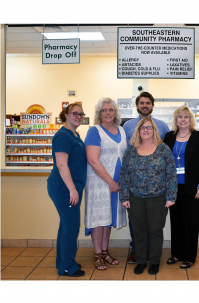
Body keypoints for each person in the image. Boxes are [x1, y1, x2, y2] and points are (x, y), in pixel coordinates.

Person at [119, 118, 177, 275]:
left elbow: (171, 174)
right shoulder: (131, 150)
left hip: (158, 197)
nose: (146, 130)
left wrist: (171, 196)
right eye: (142, 127)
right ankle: (140, 261)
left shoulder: (163, 149)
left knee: (155, 230)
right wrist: (124, 197)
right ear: (138, 130)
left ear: (154, 130)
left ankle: (155, 261)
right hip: (135, 197)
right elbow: (124, 174)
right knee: (138, 231)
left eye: (149, 128)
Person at [123, 91, 170, 264]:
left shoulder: (162, 126)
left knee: (154, 223)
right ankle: (136, 251)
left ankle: (152, 252)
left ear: (152, 106)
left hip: (156, 186)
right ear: (137, 106)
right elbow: (125, 153)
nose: (145, 105)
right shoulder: (127, 126)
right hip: (135, 185)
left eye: (148, 103)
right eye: (142, 103)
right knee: (137, 223)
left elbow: (166, 152)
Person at [163, 106, 199, 269]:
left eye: (186, 117)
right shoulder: (169, 137)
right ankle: (177, 254)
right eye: (180, 117)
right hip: (173, 187)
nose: (183, 120)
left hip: (192, 187)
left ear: (191, 120)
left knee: (191, 222)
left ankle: (190, 257)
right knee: (176, 222)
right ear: (175, 120)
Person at [84, 98, 128, 271]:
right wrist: (110, 182)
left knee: (108, 218)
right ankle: (97, 255)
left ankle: (105, 252)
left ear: (116, 113)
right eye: (104, 110)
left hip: (117, 184)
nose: (108, 113)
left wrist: (118, 182)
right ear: (99, 113)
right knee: (99, 219)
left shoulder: (123, 131)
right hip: (100, 182)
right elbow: (93, 160)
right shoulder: (94, 131)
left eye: (111, 110)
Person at [47, 103, 87, 277]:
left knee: (65, 226)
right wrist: (72, 189)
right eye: (75, 113)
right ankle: (68, 267)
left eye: (81, 114)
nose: (78, 116)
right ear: (67, 114)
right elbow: (62, 165)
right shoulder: (63, 135)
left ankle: (63, 261)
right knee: (71, 226)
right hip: (64, 189)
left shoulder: (75, 134)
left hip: (70, 187)